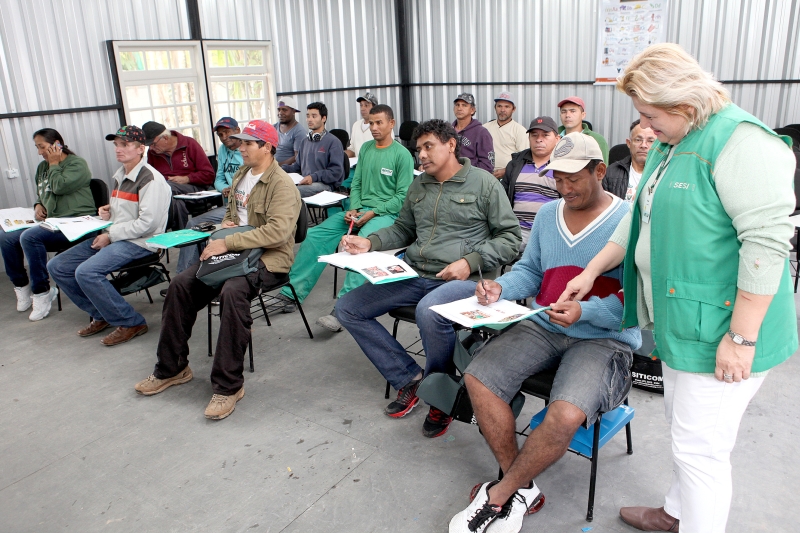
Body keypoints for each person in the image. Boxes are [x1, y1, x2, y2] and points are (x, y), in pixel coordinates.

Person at [558, 43, 797, 533]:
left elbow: (767, 248)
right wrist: (589, 270)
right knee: (687, 432)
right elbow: (639, 223)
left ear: (683, 104)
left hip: (724, 331)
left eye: (648, 114)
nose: (644, 127)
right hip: (684, 322)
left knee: (702, 450)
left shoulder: (743, 144)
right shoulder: (674, 142)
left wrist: (742, 338)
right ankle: (677, 512)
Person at [448, 132, 640, 533]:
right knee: (479, 377)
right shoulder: (550, 214)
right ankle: (521, 484)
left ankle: (501, 494)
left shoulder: (630, 220)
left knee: (566, 412)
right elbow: (531, 270)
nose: (565, 188)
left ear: (600, 171)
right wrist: (503, 287)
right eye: (558, 178)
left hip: (604, 338)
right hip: (545, 322)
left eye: (574, 179)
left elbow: (636, 301)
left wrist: (586, 310)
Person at [335, 119, 520, 438]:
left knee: (428, 311)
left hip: (462, 280)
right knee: (347, 308)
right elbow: (404, 229)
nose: (421, 154)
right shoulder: (419, 186)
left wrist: (469, 261)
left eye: (428, 146)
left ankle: (441, 395)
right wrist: (371, 241)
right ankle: (411, 378)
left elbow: (511, 238)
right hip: (416, 272)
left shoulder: (483, 183)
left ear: (451, 145)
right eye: (418, 148)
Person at [134, 120, 302, 421]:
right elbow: (232, 211)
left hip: (269, 259)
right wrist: (225, 227)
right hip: (236, 252)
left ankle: (228, 387)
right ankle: (172, 368)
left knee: (233, 291)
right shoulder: (241, 174)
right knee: (180, 285)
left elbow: (277, 233)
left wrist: (230, 242)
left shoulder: (282, 185)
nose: (241, 147)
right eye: (241, 141)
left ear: (267, 147)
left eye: (249, 143)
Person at [274, 105, 414, 331]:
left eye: (379, 123)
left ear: (391, 123)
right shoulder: (367, 149)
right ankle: (292, 293)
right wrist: (355, 207)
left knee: (361, 246)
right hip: (359, 210)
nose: (374, 127)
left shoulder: (402, 155)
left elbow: (402, 197)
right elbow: (356, 183)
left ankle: (343, 307)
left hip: (386, 214)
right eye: (371, 123)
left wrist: (373, 212)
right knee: (316, 235)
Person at [48, 126, 171, 346]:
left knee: (86, 272)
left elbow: (147, 223)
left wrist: (110, 235)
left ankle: (131, 321)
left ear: (141, 149)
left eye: (125, 145)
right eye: (116, 144)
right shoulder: (121, 175)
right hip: (117, 236)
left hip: (141, 242)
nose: (118, 149)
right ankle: (103, 313)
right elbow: (126, 212)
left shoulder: (151, 179)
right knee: (57, 266)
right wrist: (108, 212)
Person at [0, 128, 96, 321]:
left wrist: (53, 163)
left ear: (57, 144)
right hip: (52, 221)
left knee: (30, 237)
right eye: (37, 147)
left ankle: (42, 292)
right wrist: (38, 204)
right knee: (6, 238)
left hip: (75, 222)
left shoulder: (77, 164)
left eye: (42, 147)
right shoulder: (42, 168)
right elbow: (43, 192)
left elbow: (59, 187)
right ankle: (22, 286)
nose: (39, 152)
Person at [174, 117, 243, 274]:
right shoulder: (223, 150)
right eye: (220, 135)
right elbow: (217, 178)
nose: (224, 138)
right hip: (227, 205)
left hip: (240, 206)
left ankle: (184, 276)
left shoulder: (247, 151)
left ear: (237, 131)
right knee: (195, 225)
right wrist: (224, 188)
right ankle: (191, 273)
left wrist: (236, 189)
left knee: (193, 225)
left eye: (227, 133)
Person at [501, 116, 561, 250]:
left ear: (557, 139)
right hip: (516, 233)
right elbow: (502, 198)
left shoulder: (563, 167)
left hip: (550, 234)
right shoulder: (515, 164)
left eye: (545, 135)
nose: (539, 139)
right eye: (534, 135)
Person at [142, 121, 215, 230]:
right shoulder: (152, 153)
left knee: (167, 187)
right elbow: (151, 177)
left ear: (165, 138)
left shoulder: (190, 144)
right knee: (177, 202)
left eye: (153, 144)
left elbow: (209, 175)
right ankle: (182, 235)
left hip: (194, 188)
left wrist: (187, 178)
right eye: (148, 145)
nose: (151, 148)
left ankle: (157, 229)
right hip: (169, 193)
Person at [282, 102, 345, 197]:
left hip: (326, 185)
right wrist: (281, 168)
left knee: (290, 192)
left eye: (314, 116)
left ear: (324, 118)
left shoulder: (333, 142)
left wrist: (313, 177)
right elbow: (297, 167)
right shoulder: (304, 142)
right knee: (279, 188)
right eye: (308, 116)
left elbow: (336, 171)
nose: (309, 119)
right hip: (305, 182)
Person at [603, 119, 657, 202]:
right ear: (629, 143)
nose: (643, 145)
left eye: (650, 141)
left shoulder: (665, 173)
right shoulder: (611, 172)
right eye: (638, 140)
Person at [483, 91, 528, 179]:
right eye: (499, 106)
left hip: (509, 176)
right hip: (485, 175)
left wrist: (506, 170)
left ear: (513, 109)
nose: (502, 110)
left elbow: (523, 158)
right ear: (495, 107)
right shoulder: (484, 128)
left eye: (507, 106)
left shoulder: (520, 130)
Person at [557, 96, 610, 163]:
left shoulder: (597, 139)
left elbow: (602, 169)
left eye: (572, 111)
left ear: (583, 115)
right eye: (564, 111)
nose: (567, 115)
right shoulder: (553, 137)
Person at [452, 93, 495, 173]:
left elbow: (487, 165)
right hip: (448, 177)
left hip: (470, 178)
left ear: (472, 110)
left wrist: (466, 172)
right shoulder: (448, 131)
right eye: (457, 105)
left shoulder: (481, 133)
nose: (459, 108)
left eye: (464, 105)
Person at [344, 92, 394, 158]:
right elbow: (353, 150)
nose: (362, 109)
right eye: (361, 105)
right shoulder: (356, 125)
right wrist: (339, 154)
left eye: (366, 105)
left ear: (374, 107)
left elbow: (387, 150)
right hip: (359, 165)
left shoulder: (383, 127)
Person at [274, 97, 304, 166]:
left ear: (293, 111)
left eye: (284, 110)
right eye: (279, 110)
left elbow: (298, 157)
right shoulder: (274, 127)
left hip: (288, 171)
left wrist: (278, 165)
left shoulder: (299, 131)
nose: (280, 113)